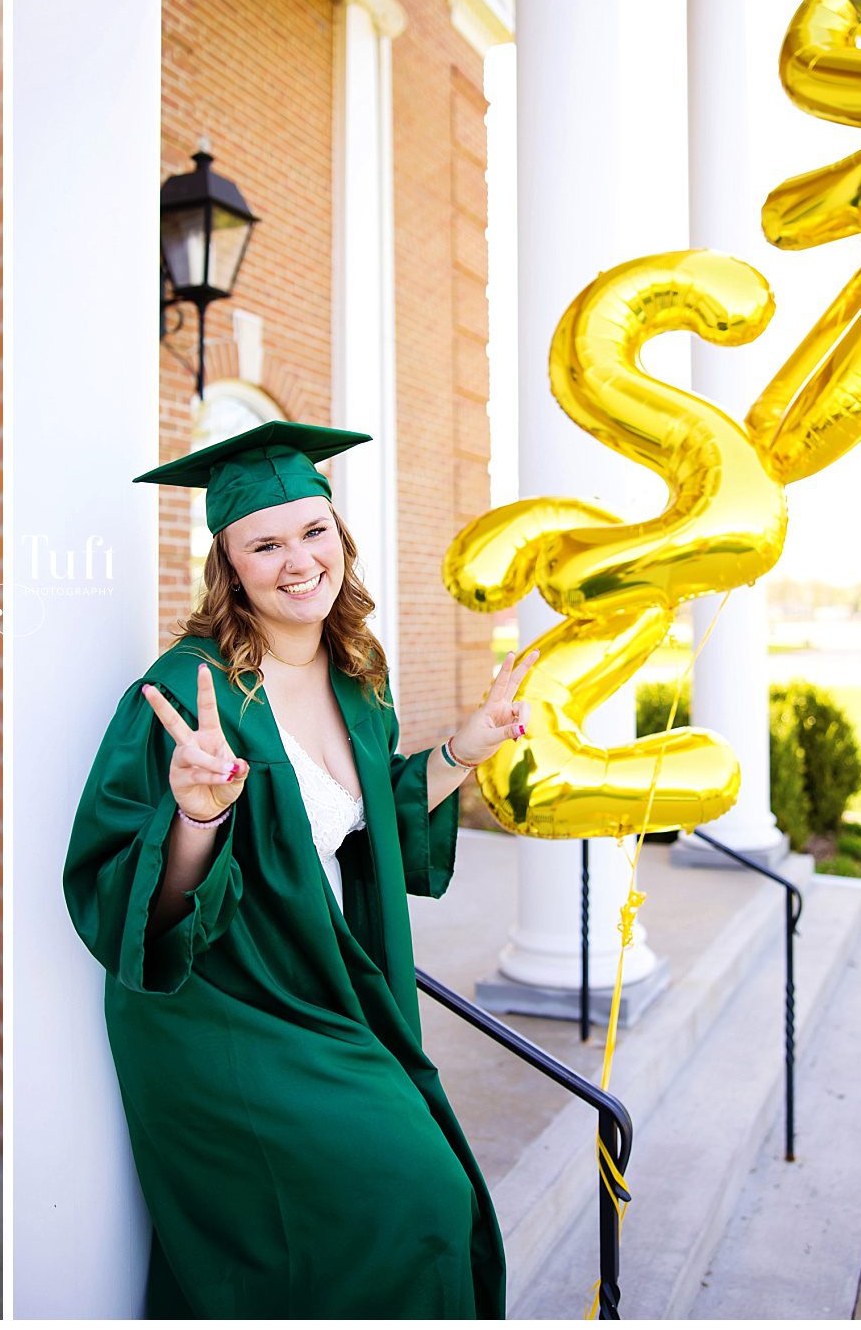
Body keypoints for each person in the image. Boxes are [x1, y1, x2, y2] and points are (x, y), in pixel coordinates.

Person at [63, 421, 536, 1318]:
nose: (297, 561)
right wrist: (199, 812)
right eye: (264, 544)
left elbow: (362, 831)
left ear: (340, 537)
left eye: (313, 531)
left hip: (323, 979)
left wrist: (464, 749)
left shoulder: (358, 672)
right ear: (229, 566)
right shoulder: (185, 693)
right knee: (415, 1194)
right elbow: (136, 905)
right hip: (223, 1007)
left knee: (417, 1196)